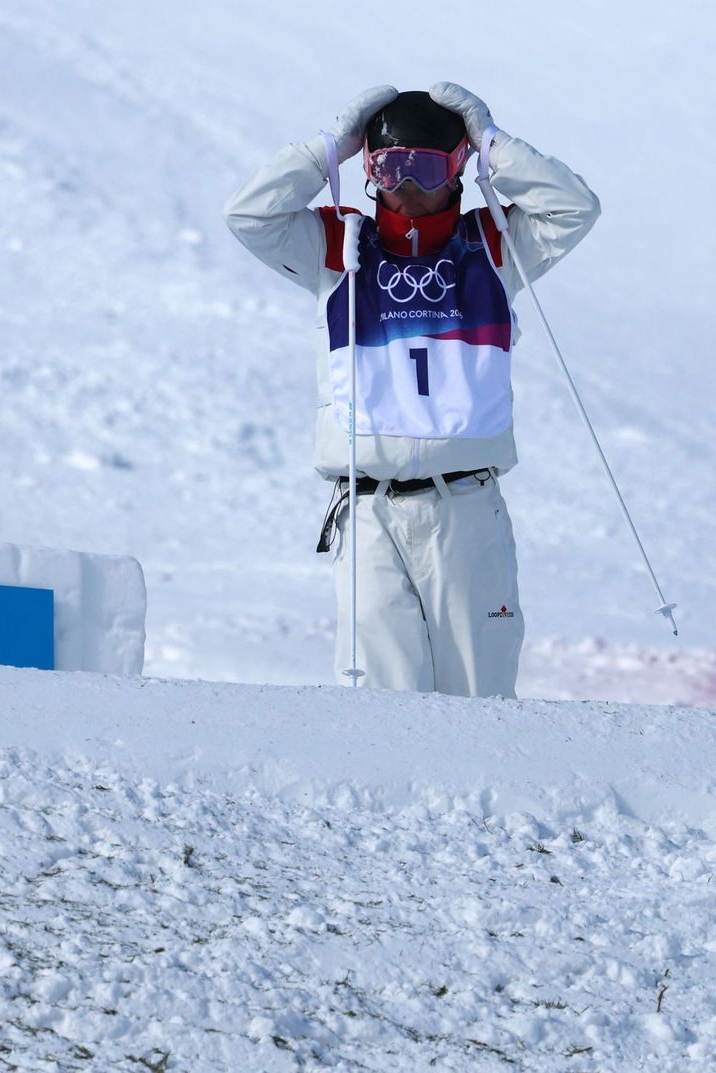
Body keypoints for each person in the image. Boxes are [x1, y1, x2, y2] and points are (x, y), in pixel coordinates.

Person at [224, 84, 600, 698]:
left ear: (456, 167)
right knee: (381, 701)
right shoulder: (337, 245)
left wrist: (493, 144)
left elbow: (573, 208)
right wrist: (330, 149)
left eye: (424, 166)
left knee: (479, 696)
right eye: (386, 166)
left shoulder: (496, 242)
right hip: (368, 509)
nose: (404, 183)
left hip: (466, 506)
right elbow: (248, 214)